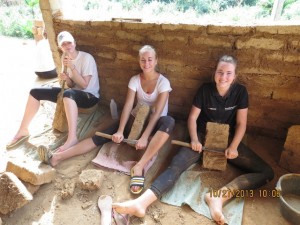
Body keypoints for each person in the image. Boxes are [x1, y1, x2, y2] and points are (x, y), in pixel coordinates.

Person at [112, 55, 274, 225]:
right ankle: (141, 203)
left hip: (226, 138)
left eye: (228, 73)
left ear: (235, 76)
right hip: (202, 136)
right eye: (220, 72)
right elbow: (192, 119)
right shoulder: (205, 90)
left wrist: (233, 147)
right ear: (214, 73)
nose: (223, 77)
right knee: (177, 164)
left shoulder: (240, 92)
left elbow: (241, 123)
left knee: (266, 172)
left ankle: (217, 197)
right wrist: (195, 139)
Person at [38, 45, 175, 195]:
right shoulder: (135, 80)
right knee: (101, 134)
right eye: (143, 60)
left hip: (156, 123)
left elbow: (157, 114)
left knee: (169, 122)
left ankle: (139, 167)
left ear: (156, 61)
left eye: (150, 60)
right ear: (139, 61)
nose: (146, 63)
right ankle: (57, 157)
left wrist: (143, 137)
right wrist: (121, 131)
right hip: (137, 120)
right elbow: (128, 106)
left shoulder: (163, 83)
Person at [6, 31, 100, 152]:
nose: (67, 46)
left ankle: (72, 138)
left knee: (68, 94)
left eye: (69, 42)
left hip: (90, 97)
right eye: (64, 44)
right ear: (61, 48)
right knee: (35, 92)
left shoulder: (86, 58)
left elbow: (84, 85)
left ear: (75, 43)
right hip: (73, 94)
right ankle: (23, 130)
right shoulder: (64, 57)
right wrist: (67, 79)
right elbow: (72, 85)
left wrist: (72, 67)